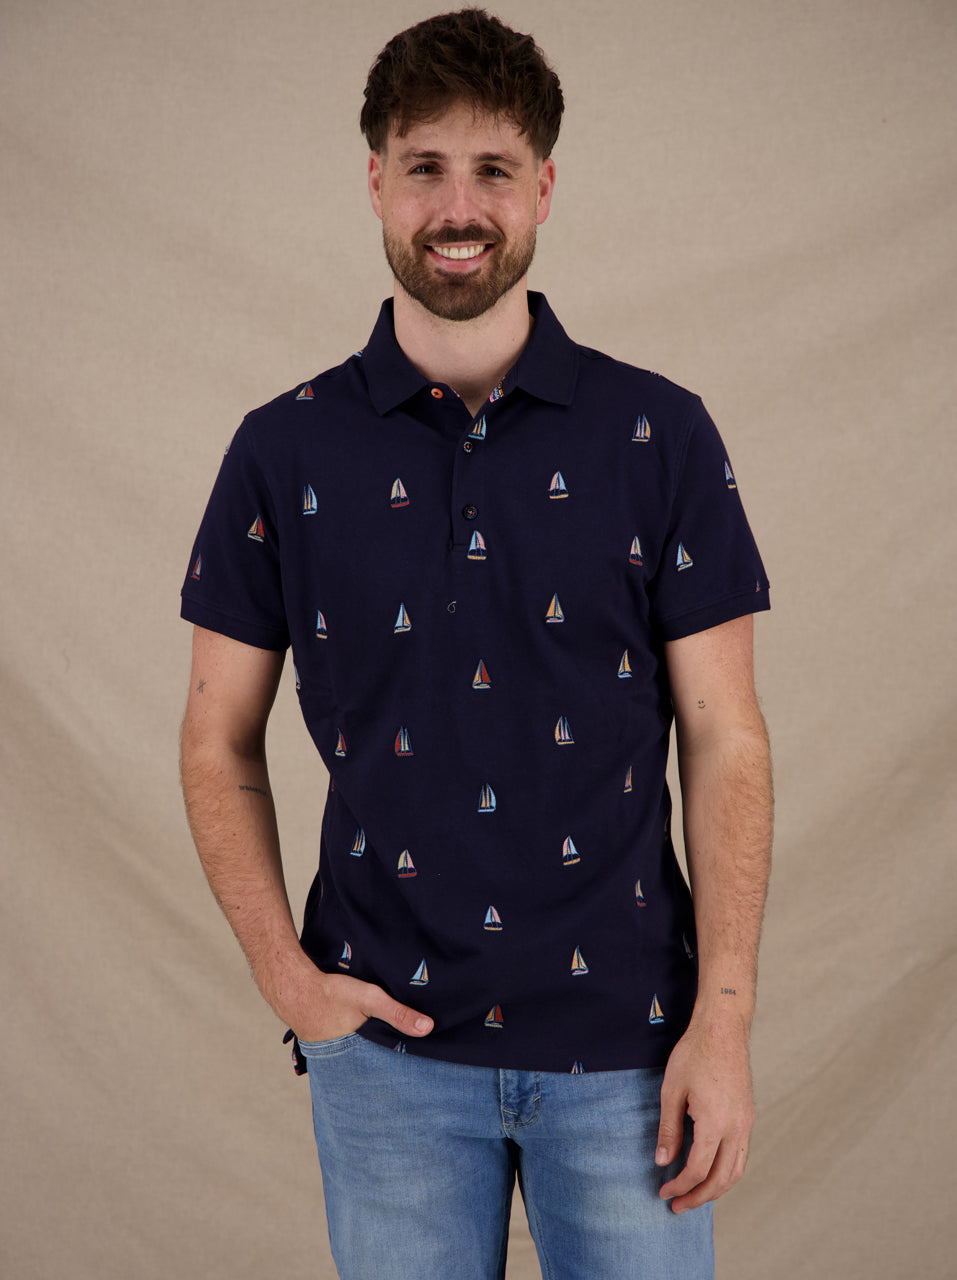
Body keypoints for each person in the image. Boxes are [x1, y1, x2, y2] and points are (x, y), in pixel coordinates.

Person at [179, 9, 772, 1278]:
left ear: (543, 187)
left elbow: (728, 736)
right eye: (426, 168)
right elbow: (215, 736)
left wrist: (722, 1022)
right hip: (383, 1051)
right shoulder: (282, 449)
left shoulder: (660, 434)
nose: (459, 208)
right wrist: (290, 981)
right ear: (376, 183)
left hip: (632, 1046)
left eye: (494, 169)